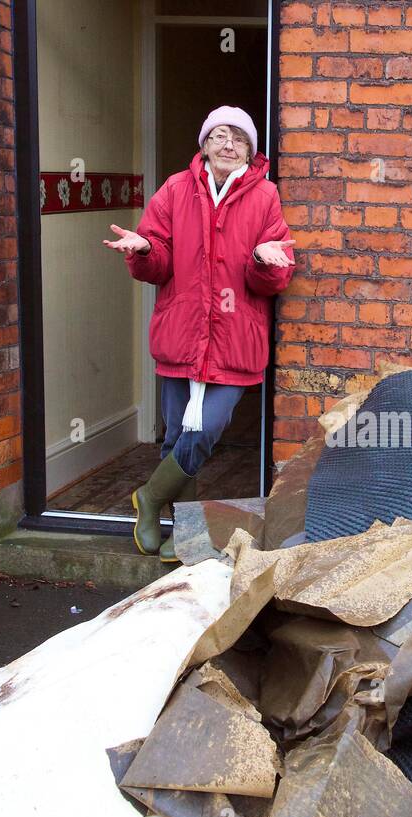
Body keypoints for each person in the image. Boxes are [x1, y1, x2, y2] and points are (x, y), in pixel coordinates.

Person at [104, 106, 296, 561]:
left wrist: (263, 261)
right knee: (176, 438)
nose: (228, 145)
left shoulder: (265, 196)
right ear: (204, 144)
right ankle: (183, 532)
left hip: (236, 339)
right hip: (182, 333)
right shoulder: (175, 189)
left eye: (239, 139)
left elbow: (272, 281)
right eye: (219, 136)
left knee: (204, 430)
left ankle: (149, 498)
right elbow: (159, 262)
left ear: (251, 151)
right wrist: (145, 249)